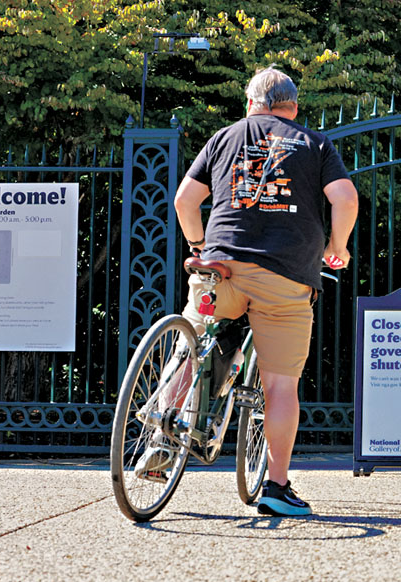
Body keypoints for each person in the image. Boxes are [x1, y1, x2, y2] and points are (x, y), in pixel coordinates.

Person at [136, 66, 358, 516]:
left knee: (192, 346)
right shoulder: (315, 144)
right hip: (285, 277)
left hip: (221, 268)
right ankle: (276, 488)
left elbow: (183, 202)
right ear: (294, 107)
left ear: (250, 104)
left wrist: (200, 245)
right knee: (280, 384)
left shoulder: (224, 136)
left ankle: (158, 439)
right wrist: (338, 247)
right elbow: (346, 198)